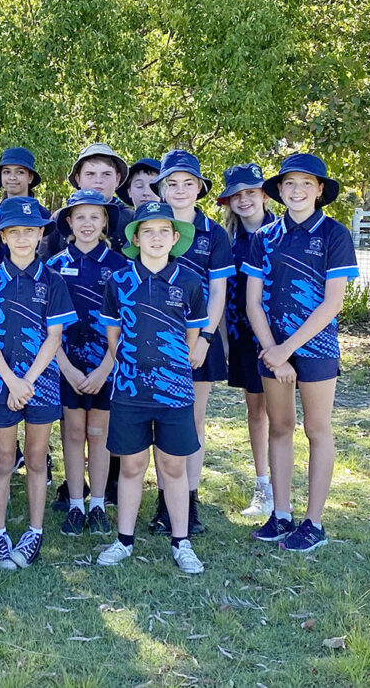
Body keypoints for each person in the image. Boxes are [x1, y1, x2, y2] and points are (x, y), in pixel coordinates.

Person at [243, 153, 358, 552]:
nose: (297, 190)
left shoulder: (334, 234)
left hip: (316, 348)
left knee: (317, 429)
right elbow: (253, 302)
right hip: (271, 349)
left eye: (306, 183)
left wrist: (288, 350)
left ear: (320, 190)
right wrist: (272, 350)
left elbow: (332, 304)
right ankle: (282, 514)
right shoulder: (264, 238)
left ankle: (314, 523)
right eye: (289, 183)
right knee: (279, 427)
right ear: (279, 190)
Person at [96, 202, 208, 574]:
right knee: (131, 466)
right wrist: (132, 365)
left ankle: (182, 542)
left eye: (164, 231)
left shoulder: (191, 283)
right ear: (135, 238)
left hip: (175, 392)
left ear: (176, 238)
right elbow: (113, 337)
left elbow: (192, 337)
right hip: (129, 391)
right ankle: (123, 540)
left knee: (172, 467)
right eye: (148, 231)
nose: (156, 238)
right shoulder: (118, 281)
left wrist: (169, 369)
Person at [0, 197, 77, 570]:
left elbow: (54, 337)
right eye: (15, 232)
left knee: (35, 458)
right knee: (3, 460)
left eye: (30, 231)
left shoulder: (54, 281)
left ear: (41, 233)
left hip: (40, 384)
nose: (23, 238)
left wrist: (26, 382)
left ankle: (34, 532)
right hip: (1, 384)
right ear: (4, 236)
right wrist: (12, 382)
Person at [149, 150, 234, 536]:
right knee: (158, 419)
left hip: (200, 339)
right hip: (153, 338)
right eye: (172, 183)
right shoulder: (150, 224)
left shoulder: (214, 233)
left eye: (188, 183)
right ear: (161, 187)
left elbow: (218, 291)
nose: (180, 190)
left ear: (200, 188)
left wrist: (205, 338)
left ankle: (190, 500)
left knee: (191, 421)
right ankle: (165, 500)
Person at [46, 190, 128, 537]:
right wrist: (65, 366)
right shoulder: (52, 266)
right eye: (80, 217)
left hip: (104, 367)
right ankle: (76, 503)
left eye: (95, 217)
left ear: (105, 221)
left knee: (99, 434)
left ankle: (97, 503)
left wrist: (106, 368)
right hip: (66, 364)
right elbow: (45, 322)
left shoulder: (121, 266)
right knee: (73, 432)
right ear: (69, 222)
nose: (87, 224)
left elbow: (128, 322)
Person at [218, 163, 277, 518]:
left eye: (250, 192)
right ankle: (263, 488)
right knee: (257, 412)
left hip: (285, 338)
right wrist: (223, 340)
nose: (244, 200)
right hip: (244, 338)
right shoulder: (229, 243)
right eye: (237, 195)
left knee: (285, 418)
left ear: (264, 195)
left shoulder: (283, 233)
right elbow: (222, 295)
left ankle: (285, 490)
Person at [42, 143, 132, 257]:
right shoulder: (60, 217)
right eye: (90, 174)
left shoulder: (130, 219)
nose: (98, 180)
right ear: (78, 178)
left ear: (117, 179)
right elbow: (44, 261)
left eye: (106, 174)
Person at [0, 148, 48, 263]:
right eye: (6, 172)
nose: (12, 177)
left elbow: (47, 254)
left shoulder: (42, 216)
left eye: (20, 172)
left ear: (30, 177)